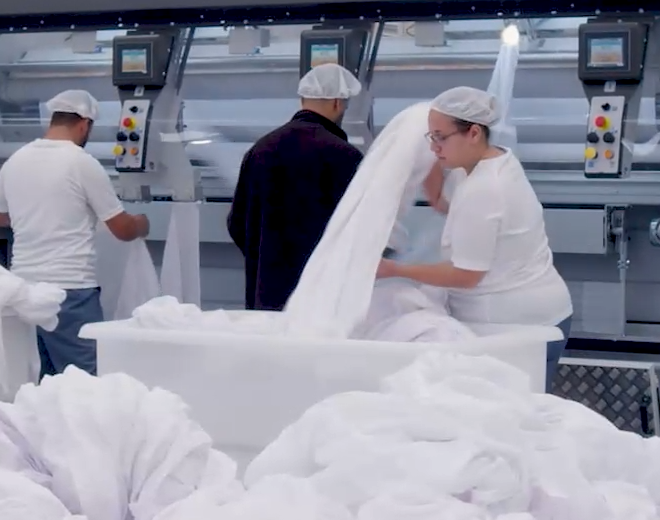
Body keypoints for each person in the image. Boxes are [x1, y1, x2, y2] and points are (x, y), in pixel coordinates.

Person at [376, 86, 574, 386]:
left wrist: (392, 269)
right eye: (431, 137)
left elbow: (467, 275)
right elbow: (446, 204)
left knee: (509, 418)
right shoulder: (490, 161)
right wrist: (425, 173)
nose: (434, 147)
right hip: (536, 312)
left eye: (441, 138)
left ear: (473, 133)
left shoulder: (486, 189)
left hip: (520, 326)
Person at [0, 89, 150, 376]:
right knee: (83, 381)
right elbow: (121, 229)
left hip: (24, 291)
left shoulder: (17, 159)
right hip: (70, 293)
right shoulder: (81, 163)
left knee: (39, 380)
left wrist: (29, 217)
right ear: (85, 125)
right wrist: (142, 224)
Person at [228, 63, 366, 311]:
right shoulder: (345, 156)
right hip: (323, 294)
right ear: (337, 102)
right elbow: (358, 229)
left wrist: (266, 259)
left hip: (266, 290)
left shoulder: (260, 149)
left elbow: (237, 224)